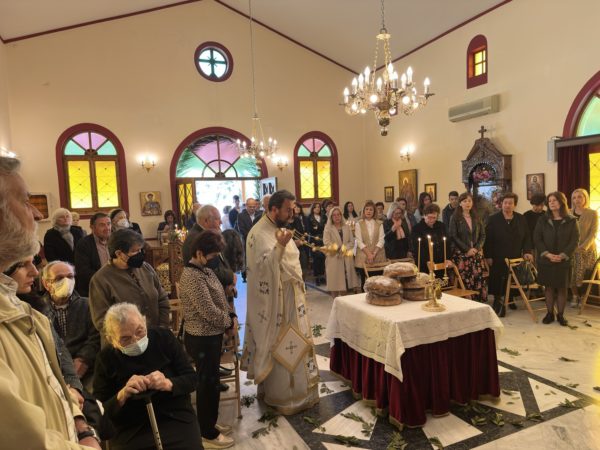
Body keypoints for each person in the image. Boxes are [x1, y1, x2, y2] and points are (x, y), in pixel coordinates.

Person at [0, 155, 101, 449]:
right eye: (25, 201)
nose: (35, 213)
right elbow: (22, 438)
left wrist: (79, 424)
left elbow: (51, 383)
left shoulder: (21, 308)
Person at [242, 190, 319, 415]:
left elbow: (291, 262)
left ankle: (303, 392)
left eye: (293, 209)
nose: (292, 214)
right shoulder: (258, 234)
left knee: (298, 340)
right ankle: (285, 396)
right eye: (288, 210)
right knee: (283, 342)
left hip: (293, 298)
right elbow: (262, 270)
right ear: (273, 209)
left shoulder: (280, 228)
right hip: (277, 303)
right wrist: (280, 246)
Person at [94, 303, 202, 450]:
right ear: (112, 340)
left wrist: (168, 383)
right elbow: (98, 410)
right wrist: (122, 395)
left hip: (175, 416)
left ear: (144, 321)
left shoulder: (164, 338)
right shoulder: (105, 358)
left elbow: (192, 379)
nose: (136, 341)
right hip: (131, 427)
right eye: (125, 339)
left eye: (140, 331)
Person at [179, 231, 237, 449]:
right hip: (201, 338)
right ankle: (207, 433)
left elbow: (220, 298)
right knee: (207, 385)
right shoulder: (191, 276)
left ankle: (209, 422)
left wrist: (231, 314)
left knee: (211, 383)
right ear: (199, 253)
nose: (215, 260)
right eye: (212, 256)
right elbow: (208, 311)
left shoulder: (205, 270)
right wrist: (229, 322)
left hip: (212, 336)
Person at [89, 229, 170, 339]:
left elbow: (162, 298)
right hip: (125, 342)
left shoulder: (145, 268)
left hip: (155, 336)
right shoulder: (101, 279)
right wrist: (131, 337)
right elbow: (101, 321)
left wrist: (162, 328)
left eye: (140, 250)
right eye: (135, 251)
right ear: (119, 254)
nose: (140, 254)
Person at [41, 261, 100, 383]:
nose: (66, 281)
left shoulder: (88, 305)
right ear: (46, 284)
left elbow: (96, 337)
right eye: (59, 278)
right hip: (52, 373)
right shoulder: (37, 310)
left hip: (88, 369)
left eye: (70, 276)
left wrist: (83, 360)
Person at [534, 192, 579, 326]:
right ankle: (549, 314)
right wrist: (547, 254)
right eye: (550, 201)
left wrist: (563, 255)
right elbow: (537, 238)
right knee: (548, 288)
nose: (551, 203)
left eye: (554, 200)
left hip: (563, 260)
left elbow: (574, 241)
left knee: (562, 288)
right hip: (546, 260)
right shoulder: (542, 219)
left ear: (561, 202)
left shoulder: (571, 220)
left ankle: (560, 315)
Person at [484, 193, 533, 316]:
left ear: (515, 205)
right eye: (505, 203)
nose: (507, 205)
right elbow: (488, 239)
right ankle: (498, 300)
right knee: (498, 279)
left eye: (510, 203)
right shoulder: (493, 219)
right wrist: (488, 256)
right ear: (501, 204)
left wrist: (527, 252)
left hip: (515, 255)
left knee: (513, 278)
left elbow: (527, 237)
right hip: (497, 256)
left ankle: (510, 298)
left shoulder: (521, 218)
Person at [448, 192, 487, 301]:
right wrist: (467, 249)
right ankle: (466, 300)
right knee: (465, 279)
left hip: (476, 253)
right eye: (465, 201)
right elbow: (453, 236)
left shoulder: (477, 217)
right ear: (460, 203)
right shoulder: (455, 217)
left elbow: (483, 235)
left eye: (469, 201)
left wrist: (477, 248)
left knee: (478, 278)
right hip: (462, 254)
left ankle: (478, 300)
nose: (467, 203)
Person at [323, 206, 360, 297]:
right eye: (334, 215)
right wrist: (337, 248)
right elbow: (326, 242)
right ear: (331, 217)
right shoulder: (328, 228)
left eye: (338, 214)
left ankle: (343, 301)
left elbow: (352, 241)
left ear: (341, 215)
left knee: (344, 284)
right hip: (334, 257)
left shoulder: (346, 227)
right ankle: (335, 301)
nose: (337, 217)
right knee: (334, 284)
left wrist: (344, 248)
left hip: (346, 256)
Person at [570, 188, 598, 308]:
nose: (577, 200)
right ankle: (575, 295)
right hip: (571, 250)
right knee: (571, 274)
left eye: (580, 197)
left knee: (585, 274)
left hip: (587, 250)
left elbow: (593, 232)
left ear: (585, 198)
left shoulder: (592, 213)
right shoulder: (568, 213)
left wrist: (583, 247)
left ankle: (583, 296)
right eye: (574, 197)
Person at [74, 212, 112, 296]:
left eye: (109, 224)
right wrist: (106, 279)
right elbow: (83, 271)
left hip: (114, 286)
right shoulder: (84, 244)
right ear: (92, 227)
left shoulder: (115, 241)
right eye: (102, 225)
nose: (107, 228)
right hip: (93, 288)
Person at [354, 200, 386, 287]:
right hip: (363, 256)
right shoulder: (358, 224)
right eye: (367, 209)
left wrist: (373, 254)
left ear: (374, 211)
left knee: (378, 282)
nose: (369, 211)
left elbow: (381, 240)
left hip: (378, 255)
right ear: (363, 211)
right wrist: (369, 254)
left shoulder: (379, 223)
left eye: (371, 209)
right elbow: (359, 241)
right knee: (365, 283)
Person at [410, 204, 448, 274]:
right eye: (429, 217)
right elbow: (418, 248)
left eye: (434, 217)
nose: (432, 220)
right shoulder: (417, 229)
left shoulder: (441, 226)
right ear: (424, 215)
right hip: (425, 263)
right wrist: (428, 260)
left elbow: (447, 243)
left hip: (441, 262)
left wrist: (448, 258)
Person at [236, 198, 262, 282]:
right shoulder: (241, 216)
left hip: (260, 242)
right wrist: (254, 236)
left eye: (254, 206)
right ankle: (246, 276)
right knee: (248, 259)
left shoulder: (260, 214)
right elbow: (242, 230)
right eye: (250, 207)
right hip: (247, 241)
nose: (252, 208)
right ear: (246, 206)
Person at [307, 202, 326, 285]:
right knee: (316, 259)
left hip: (323, 239)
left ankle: (322, 276)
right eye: (315, 207)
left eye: (319, 207)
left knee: (323, 258)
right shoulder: (309, 218)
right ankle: (317, 277)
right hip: (313, 240)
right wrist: (319, 228)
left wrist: (317, 228)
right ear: (312, 208)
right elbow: (310, 230)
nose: (317, 208)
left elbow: (325, 228)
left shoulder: (324, 217)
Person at [291, 203, 310, 277]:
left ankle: (302, 280)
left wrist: (301, 238)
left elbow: (301, 231)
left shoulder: (297, 219)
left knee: (303, 263)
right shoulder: (284, 220)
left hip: (300, 244)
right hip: (290, 246)